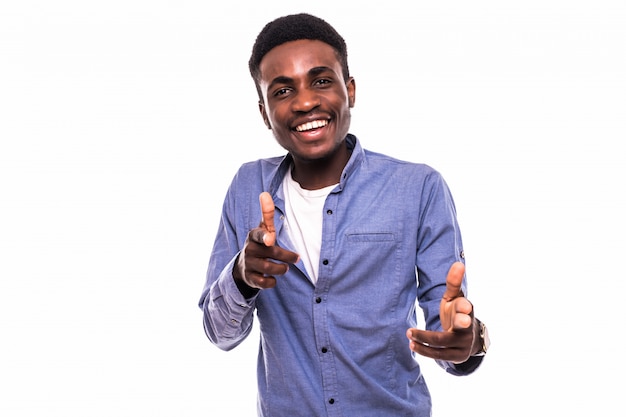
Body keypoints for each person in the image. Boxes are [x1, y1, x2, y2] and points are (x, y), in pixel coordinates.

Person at [198, 12, 489, 416]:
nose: (304, 101)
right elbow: (220, 334)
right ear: (264, 113)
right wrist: (241, 276)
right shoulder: (248, 187)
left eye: (321, 81)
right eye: (282, 91)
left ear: (349, 90)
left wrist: (467, 342)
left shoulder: (418, 188)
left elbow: (448, 332)